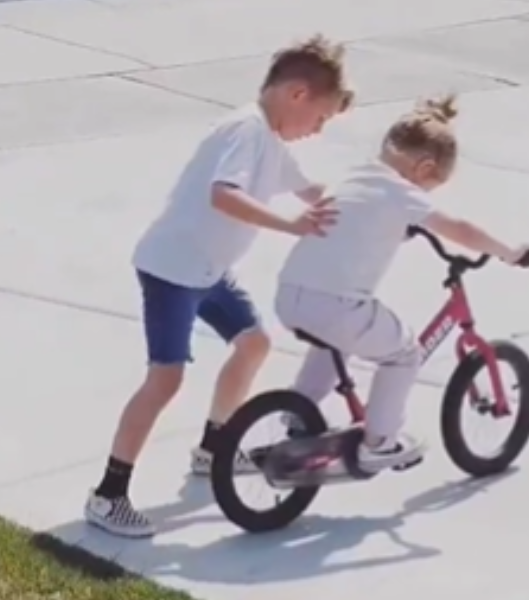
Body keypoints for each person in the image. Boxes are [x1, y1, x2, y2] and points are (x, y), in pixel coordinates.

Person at [84, 34, 353, 538]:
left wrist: (370, 206)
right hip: (172, 271)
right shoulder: (247, 131)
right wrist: (292, 225)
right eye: (320, 119)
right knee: (165, 380)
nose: (318, 131)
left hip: (206, 271)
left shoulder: (271, 140)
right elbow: (224, 196)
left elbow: (314, 190)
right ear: (297, 94)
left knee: (253, 344)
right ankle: (108, 495)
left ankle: (214, 451)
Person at [274, 94, 529, 472]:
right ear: (423, 167)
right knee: (404, 354)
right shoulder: (402, 192)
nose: (424, 196)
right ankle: (379, 443)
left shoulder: (357, 173)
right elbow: (459, 229)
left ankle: (299, 413)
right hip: (335, 304)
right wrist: (508, 252)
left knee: (337, 340)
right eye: (430, 187)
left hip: (290, 295)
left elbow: (358, 220)